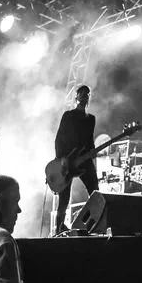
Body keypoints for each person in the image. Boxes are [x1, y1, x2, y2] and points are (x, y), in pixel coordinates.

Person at [52, 84, 98, 235]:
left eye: (87, 94)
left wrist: (92, 152)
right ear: (76, 97)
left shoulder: (91, 119)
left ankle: (94, 222)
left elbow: (89, 140)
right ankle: (59, 228)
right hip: (67, 160)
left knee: (95, 191)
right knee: (63, 199)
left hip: (83, 160)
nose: (85, 96)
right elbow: (59, 139)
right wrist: (61, 160)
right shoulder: (68, 116)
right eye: (82, 93)